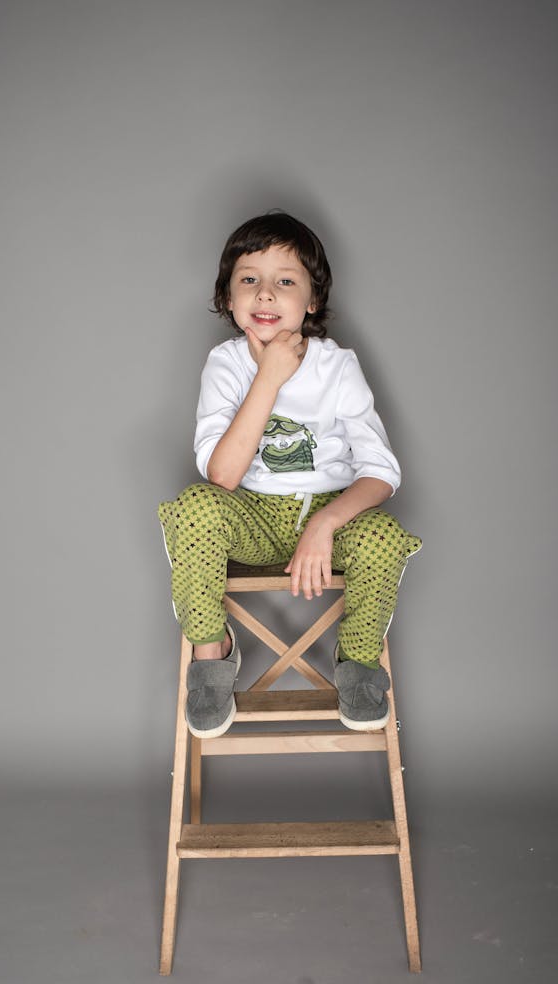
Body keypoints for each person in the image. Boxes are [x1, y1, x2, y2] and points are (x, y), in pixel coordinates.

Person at [158, 212, 421, 739]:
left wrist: (325, 524)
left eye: (285, 281)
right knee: (191, 507)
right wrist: (270, 376)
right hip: (251, 516)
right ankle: (212, 653)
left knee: (384, 538)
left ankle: (360, 658)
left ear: (312, 300)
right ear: (229, 299)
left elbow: (382, 472)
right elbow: (223, 476)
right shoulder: (226, 364)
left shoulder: (337, 366)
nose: (265, 294)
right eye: (248, 280)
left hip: (331, 514)